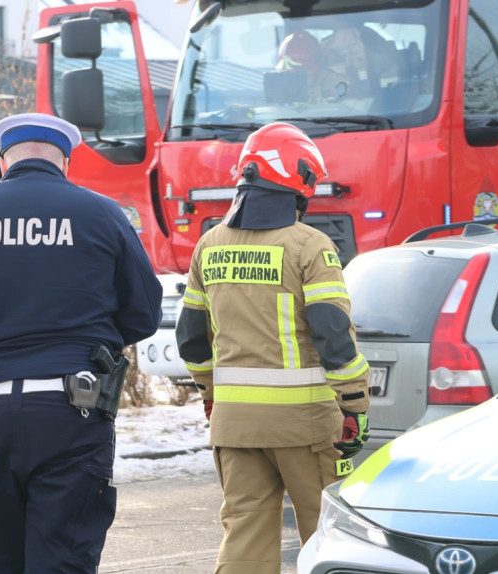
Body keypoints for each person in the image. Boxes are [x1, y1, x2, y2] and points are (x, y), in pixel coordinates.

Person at [0, 112, 163, 573]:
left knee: (5, 561)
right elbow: (143, 314)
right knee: (62, 558)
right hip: (73, 410)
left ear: (2, 160)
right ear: (64, 161)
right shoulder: (103, 213)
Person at [175, 122, 370, 574]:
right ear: (299, 182)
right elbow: (333, 337)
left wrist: (211, 394)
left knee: (245, 538)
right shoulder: (310, 246)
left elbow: (190, 341)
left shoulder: (209, 245)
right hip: (304, 426)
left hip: (234, 425)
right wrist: (355, 404)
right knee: (330, 538)